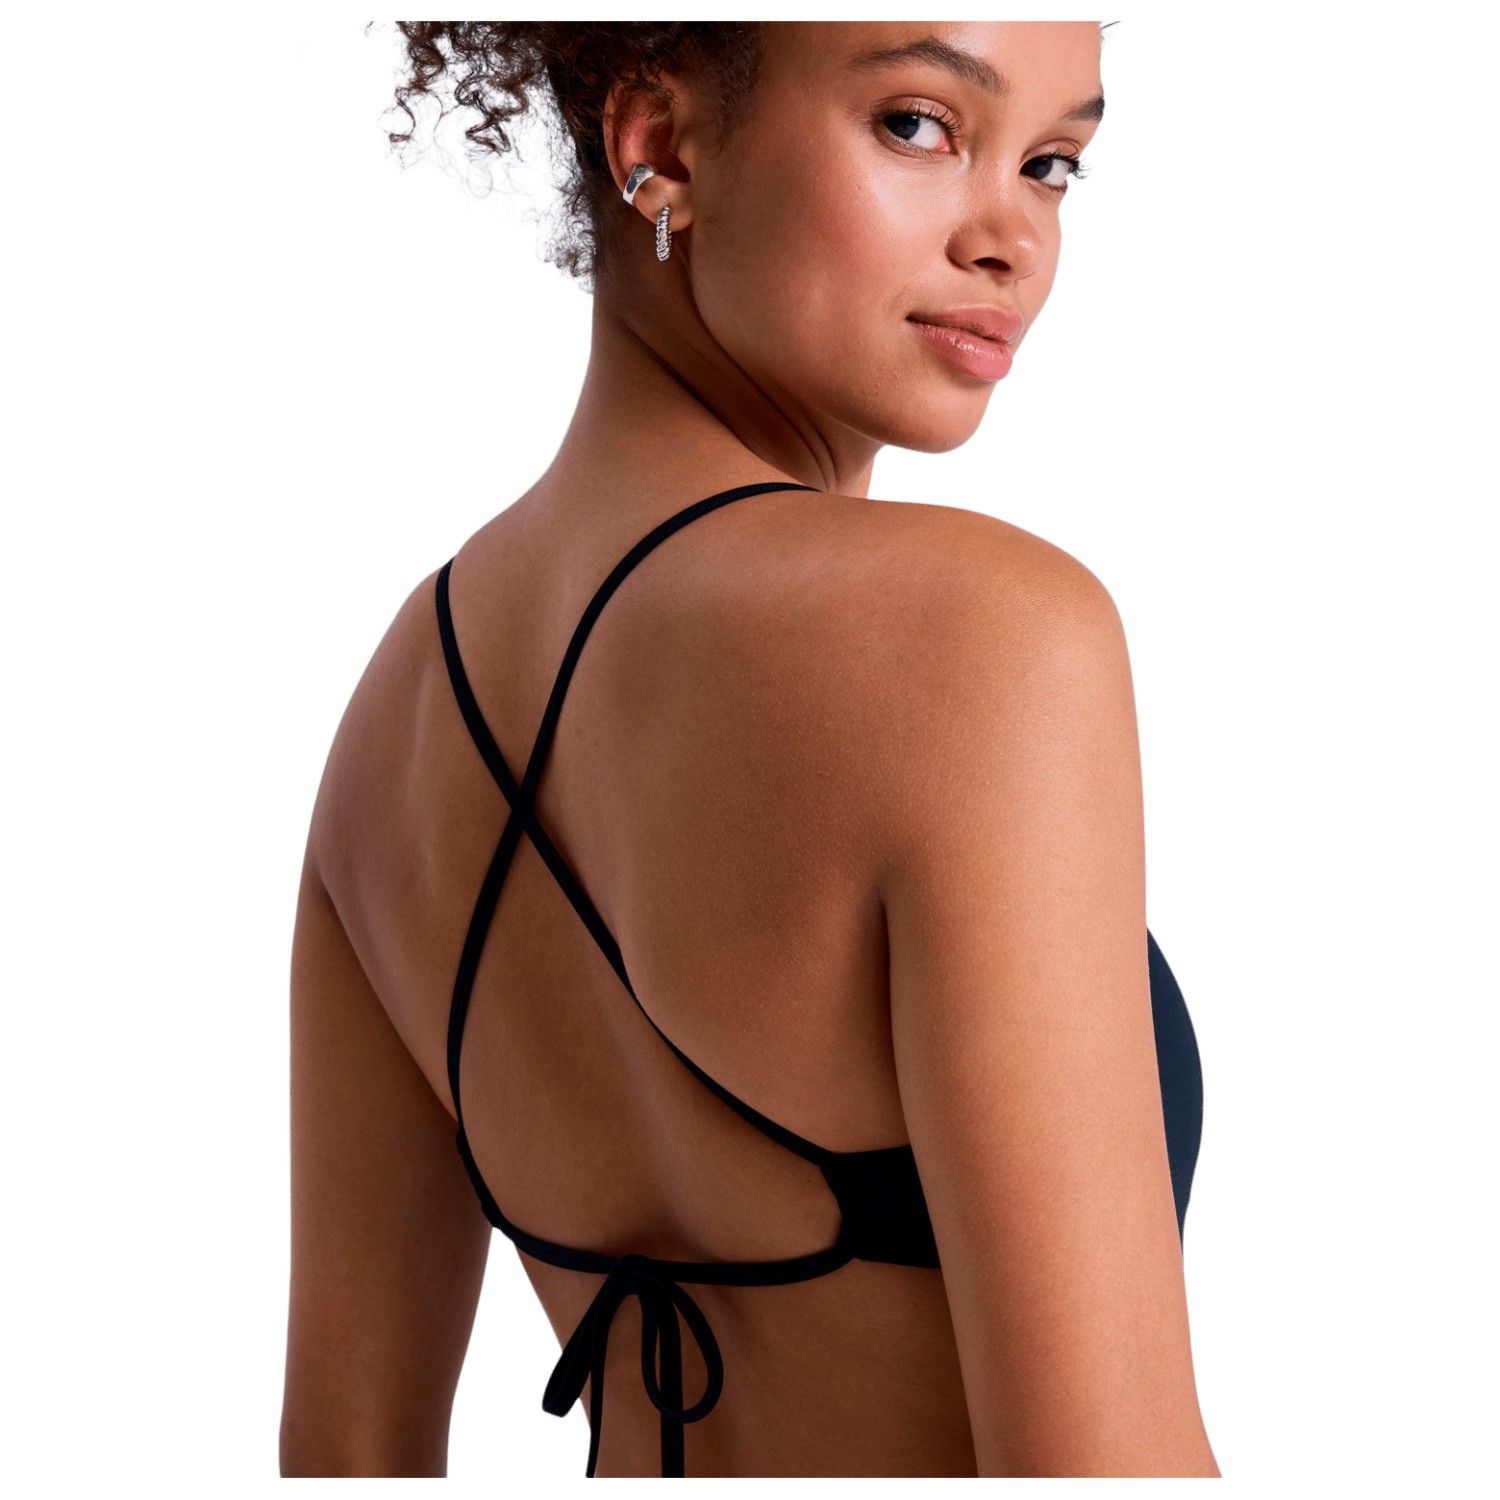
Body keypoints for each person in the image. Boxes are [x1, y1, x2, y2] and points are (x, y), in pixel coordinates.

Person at [280, 20, 1219, 1479]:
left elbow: (341, 1457)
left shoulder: (398, 713)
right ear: (659, 145)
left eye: (1052, 164)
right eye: (918, 125)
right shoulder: (988, 641)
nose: (1012, 239)